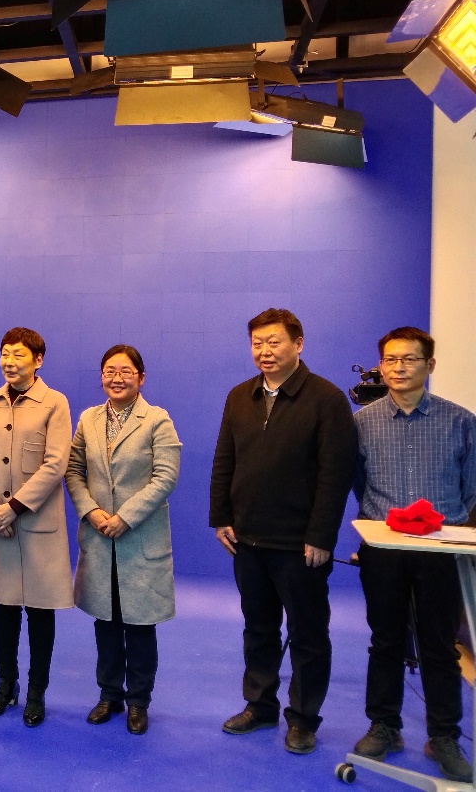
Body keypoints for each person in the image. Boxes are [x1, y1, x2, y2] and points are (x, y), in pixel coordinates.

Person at [209, 308, 356, 754]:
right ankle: (259, 705)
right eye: (257, 343)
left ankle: (304, 718)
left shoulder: (327, 399)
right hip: (247, 540)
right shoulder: (240, 396)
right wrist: (221, 517)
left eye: (274, 342)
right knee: (258, 629)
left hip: (300, 545)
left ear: (298, 344)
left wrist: (322, 536)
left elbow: (335, 475)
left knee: (308, 636)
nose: (264, 351)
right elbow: (224, 460)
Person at [351, 327, 476, 783]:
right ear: (380, 366)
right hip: (382, 547)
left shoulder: (461, 422)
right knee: (385, 640)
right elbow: (358, 482)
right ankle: (384, 726)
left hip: (439, 550)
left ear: (430, 365)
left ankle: (443, 735)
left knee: (440, 645)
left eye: (409, 359)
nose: (398, 368)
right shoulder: (362, 423)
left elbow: (470, 489)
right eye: (390, 360)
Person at [65, 345, 181, 735]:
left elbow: (165, 477)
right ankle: (109, 694)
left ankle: (138, 702)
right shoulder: (88, 419)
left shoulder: (158, 420)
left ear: (141, 378)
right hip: (99, 538)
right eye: (110, 371)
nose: (117, 378)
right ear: (101, 376)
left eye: (126, 371)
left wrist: (125, 517)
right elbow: (73, 470)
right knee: (106, 622)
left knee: (140, 625)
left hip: (139, 538)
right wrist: (91, 511)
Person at [0, 327, 73, 727]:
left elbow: (56, 463)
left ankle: (36, 693)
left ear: (38, 360)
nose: (9, 362)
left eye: (19, 355)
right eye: (5, 354)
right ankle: (5, 685)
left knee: (41, 613)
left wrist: (13, 508)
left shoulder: (55, 403)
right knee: (4, 608)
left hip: (35, 522)